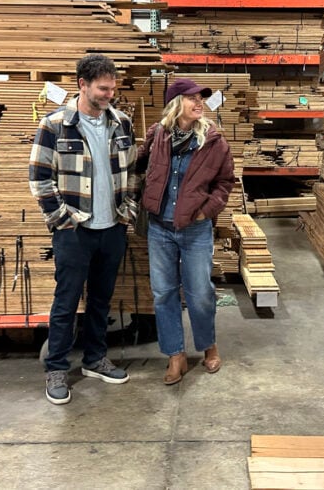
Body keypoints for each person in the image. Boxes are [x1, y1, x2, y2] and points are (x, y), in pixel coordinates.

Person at [29, 54, 138, 405]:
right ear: (83, 85)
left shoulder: (121, 123)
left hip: (112, 227)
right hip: (74, 230)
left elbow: (132, 172)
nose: (109, 95)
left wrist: (127, 212)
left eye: (112, 88)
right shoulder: (55, 125)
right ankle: (56, 368)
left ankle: (95, 359)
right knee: (66, 301)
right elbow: (39, 178)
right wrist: (62, 220)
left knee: (101, 300)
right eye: (103, 89)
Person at [137, 78, 235, 385]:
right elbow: (138, 166)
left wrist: (207, 211)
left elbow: (225, 182)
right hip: (159, 227)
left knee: (200, 292)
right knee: (164, 293)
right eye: (192, 98)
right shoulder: (158, 135)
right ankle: (175, 355)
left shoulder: (213, 141)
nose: (199, 102)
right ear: (176, 103)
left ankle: (208, 345)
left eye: (201, 98)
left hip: (195, 228)